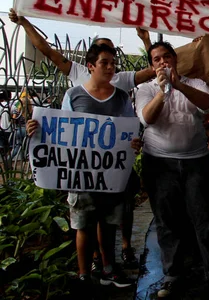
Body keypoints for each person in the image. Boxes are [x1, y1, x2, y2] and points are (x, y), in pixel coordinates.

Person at [26, 44, 136, 289]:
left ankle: (109, 270)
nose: (110, 68)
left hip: (110, 176)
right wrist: (35, 130)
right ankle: (84, 274)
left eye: (113, 63)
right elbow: (61, 132)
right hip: (81, 174)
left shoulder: (121, 97)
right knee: (83, 225)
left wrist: (134, 141)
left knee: (108, 225)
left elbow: (129, 129)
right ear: (91, 66)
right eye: (104, 63)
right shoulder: (74, 95)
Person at [136, 41, 209, 298]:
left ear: (174, 59)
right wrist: (163, 91)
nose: (162, 62)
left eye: (166, 57)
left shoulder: (195, 84)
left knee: (203, 218)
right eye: (157, 59)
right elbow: (146, 118)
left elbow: (208, 104)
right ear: (152, 66)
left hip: (195, 161)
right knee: (167, 221)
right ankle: (173, 273)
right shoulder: (144, 89)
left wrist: (178, 85)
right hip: (159, 164)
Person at [8, 9, 155, 91]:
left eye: (110, 51)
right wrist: (24, 23)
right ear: (91, 60)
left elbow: (153, 68)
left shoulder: (123, 79)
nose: (108, 58)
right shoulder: (76, 71)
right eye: (101, 51)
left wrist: (146, 40)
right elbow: (47, 50)